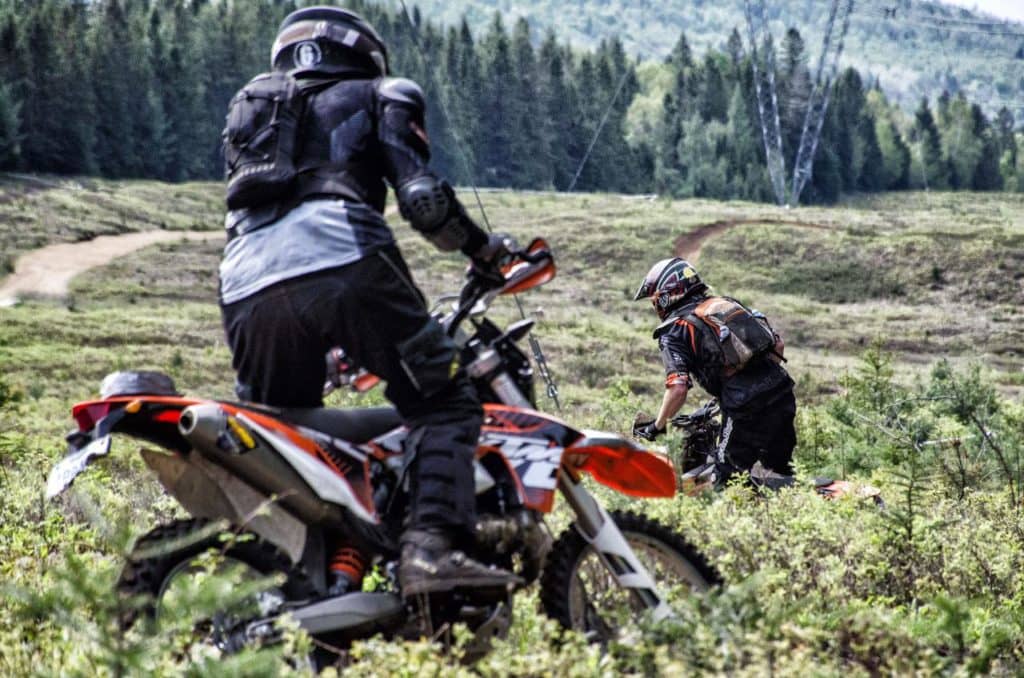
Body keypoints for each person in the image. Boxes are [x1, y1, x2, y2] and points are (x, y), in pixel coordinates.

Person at [217, 6, 518, 597]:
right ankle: (430, 551)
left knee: (290, 435)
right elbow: (424, 201)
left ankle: (316, 579)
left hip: (244, 282)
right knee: (446, 398)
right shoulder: (382, 92)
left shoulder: (252, 113)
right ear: (366, 53)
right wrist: (483, 251)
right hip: (344, 259)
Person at [632, 258, 796, 489]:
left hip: (744, 407)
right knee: (779, 469)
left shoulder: (674, 330)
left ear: (667, 293)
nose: (655, 304)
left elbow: (678, 388)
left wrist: (657, 426)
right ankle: (803, 505)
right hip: (781, 389)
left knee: (725, 481)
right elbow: (776, 346)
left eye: (655, 299)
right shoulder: (725, 304)